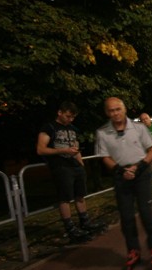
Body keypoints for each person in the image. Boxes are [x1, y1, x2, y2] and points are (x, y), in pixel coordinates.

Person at [95, 98, 152, 270]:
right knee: (126, 217)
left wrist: (138, 167)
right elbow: (104, 157)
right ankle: (133, 250)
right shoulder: (103, 132)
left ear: (124, 110)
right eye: (111, 110)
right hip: (121, 176)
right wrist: (120, 171)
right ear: (106, 112)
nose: (115, 113)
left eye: (118, 109)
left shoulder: (139, 128)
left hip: (141, 174)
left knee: (146, 213)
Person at [36, 101, 105, 242]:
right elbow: (40, 149)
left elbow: (75, 149)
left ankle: (85, 222)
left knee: (80, 195)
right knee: (65, 198)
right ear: (59, 112)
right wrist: (63, 150)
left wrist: (81, 165)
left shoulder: (73, 129)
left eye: (73, 117)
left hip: (75, 166)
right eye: (68, 116)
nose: (70, 119)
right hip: (60, 166)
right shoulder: (49, 127)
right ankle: (70, 228)